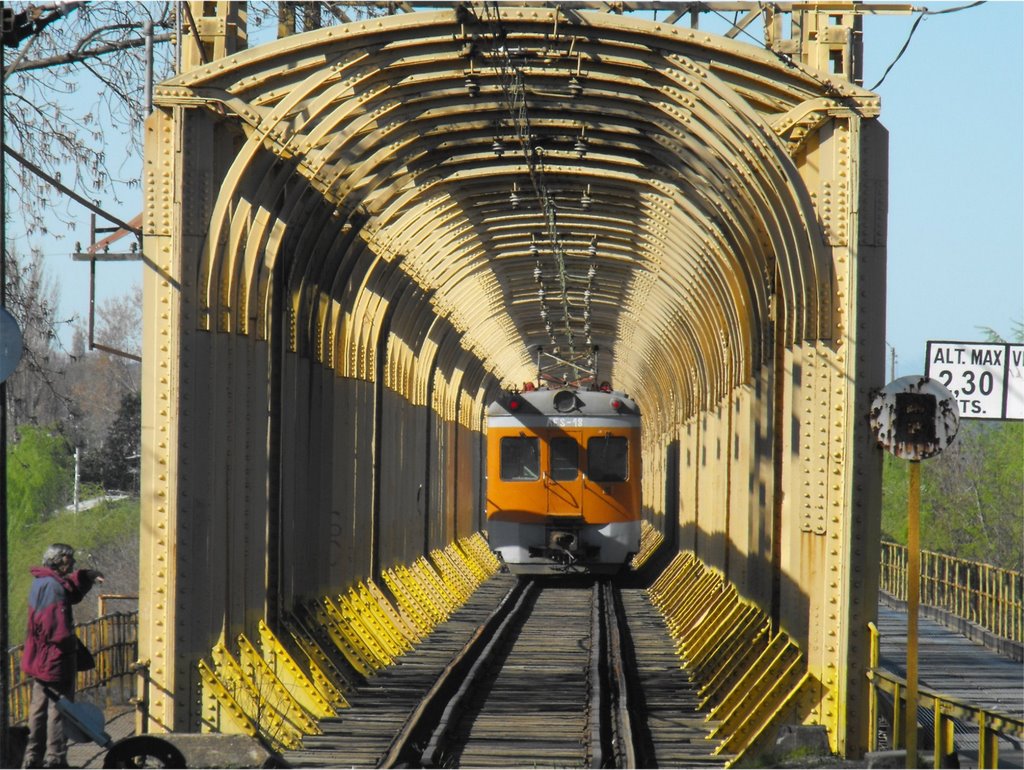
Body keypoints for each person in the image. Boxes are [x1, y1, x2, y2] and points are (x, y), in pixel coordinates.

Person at [20, 544, 104, 769]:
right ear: (61, 561)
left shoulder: (41, 582)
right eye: (71, 560)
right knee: (60, 708)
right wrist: (71, 647)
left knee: (38, 706)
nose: (73, 563)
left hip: (39, 657)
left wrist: (83, 577)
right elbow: (56, 628)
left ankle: (32, 756)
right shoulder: (53, 588)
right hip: (55, 658)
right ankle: (55, 758)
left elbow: (68, 591)